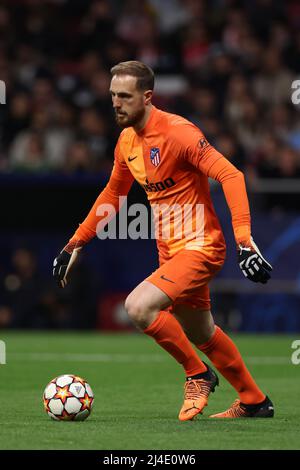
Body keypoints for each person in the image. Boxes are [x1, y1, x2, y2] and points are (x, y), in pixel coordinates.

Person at [53, 61, 274, 421]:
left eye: (124, 96)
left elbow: (231, 176)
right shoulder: (126, 141)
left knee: (138, 307)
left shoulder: (179, 133)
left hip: (201, 246)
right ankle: (254, 400)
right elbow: (113, 195)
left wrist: (244, 242)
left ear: (147, 97)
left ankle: (197, 374)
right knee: (202, 332)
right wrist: (75, 242)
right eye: (112, 96)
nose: (116, 103)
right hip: (171, 252)